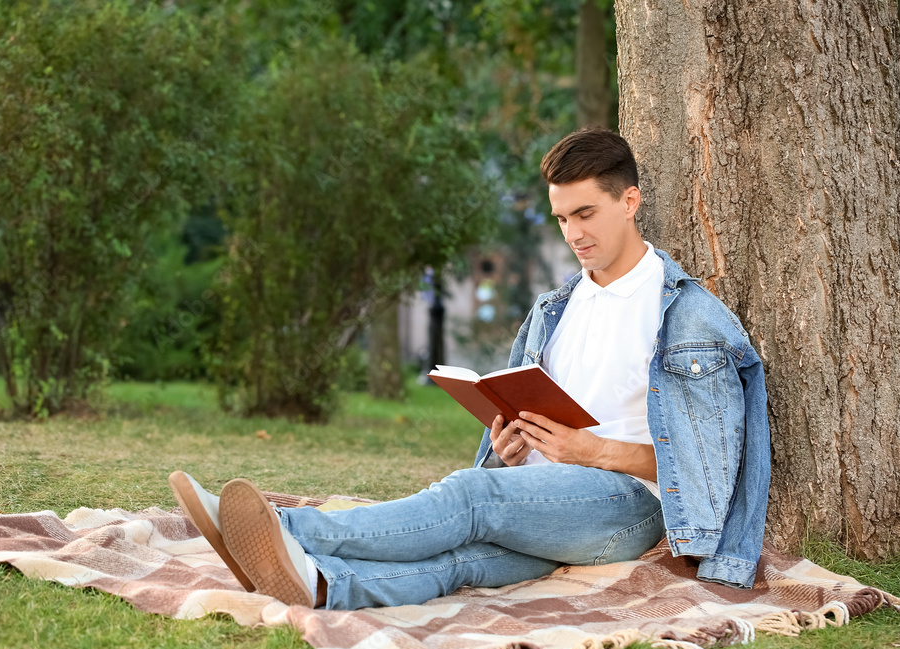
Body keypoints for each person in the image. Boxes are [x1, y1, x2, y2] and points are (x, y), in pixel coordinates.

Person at [169, 127, 771, 611]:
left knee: (468, 496)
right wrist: (514, 447)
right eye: (562, 219)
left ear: (629, 200)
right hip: (544, 497)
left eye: (585, 213)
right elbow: (536, 423)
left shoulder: (689, 319)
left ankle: (282, 531)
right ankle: (322, 585)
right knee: (465, 560)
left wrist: (592, 452)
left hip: (629, 508)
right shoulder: (555, 308)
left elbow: (711, 469)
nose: (574, 234)